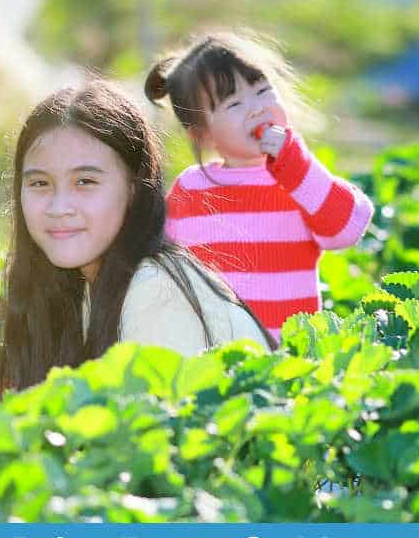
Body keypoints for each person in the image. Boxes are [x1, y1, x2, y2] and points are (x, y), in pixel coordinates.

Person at [0, 80, 272, 451]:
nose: (59, 206)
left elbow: (152, 468)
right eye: (41, 184)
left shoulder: (154, 291)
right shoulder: (87, 288)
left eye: (85, 181)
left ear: (133, 188)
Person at [144, 30, 375, 343]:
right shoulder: (191, 188)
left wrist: (294, 163)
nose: (257, 108)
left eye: (263, 90)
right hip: (216, 355)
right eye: (234, 103)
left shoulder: (299, 180)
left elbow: (347, 227)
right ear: (202, 134)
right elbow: (164, 266)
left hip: (291, 359)